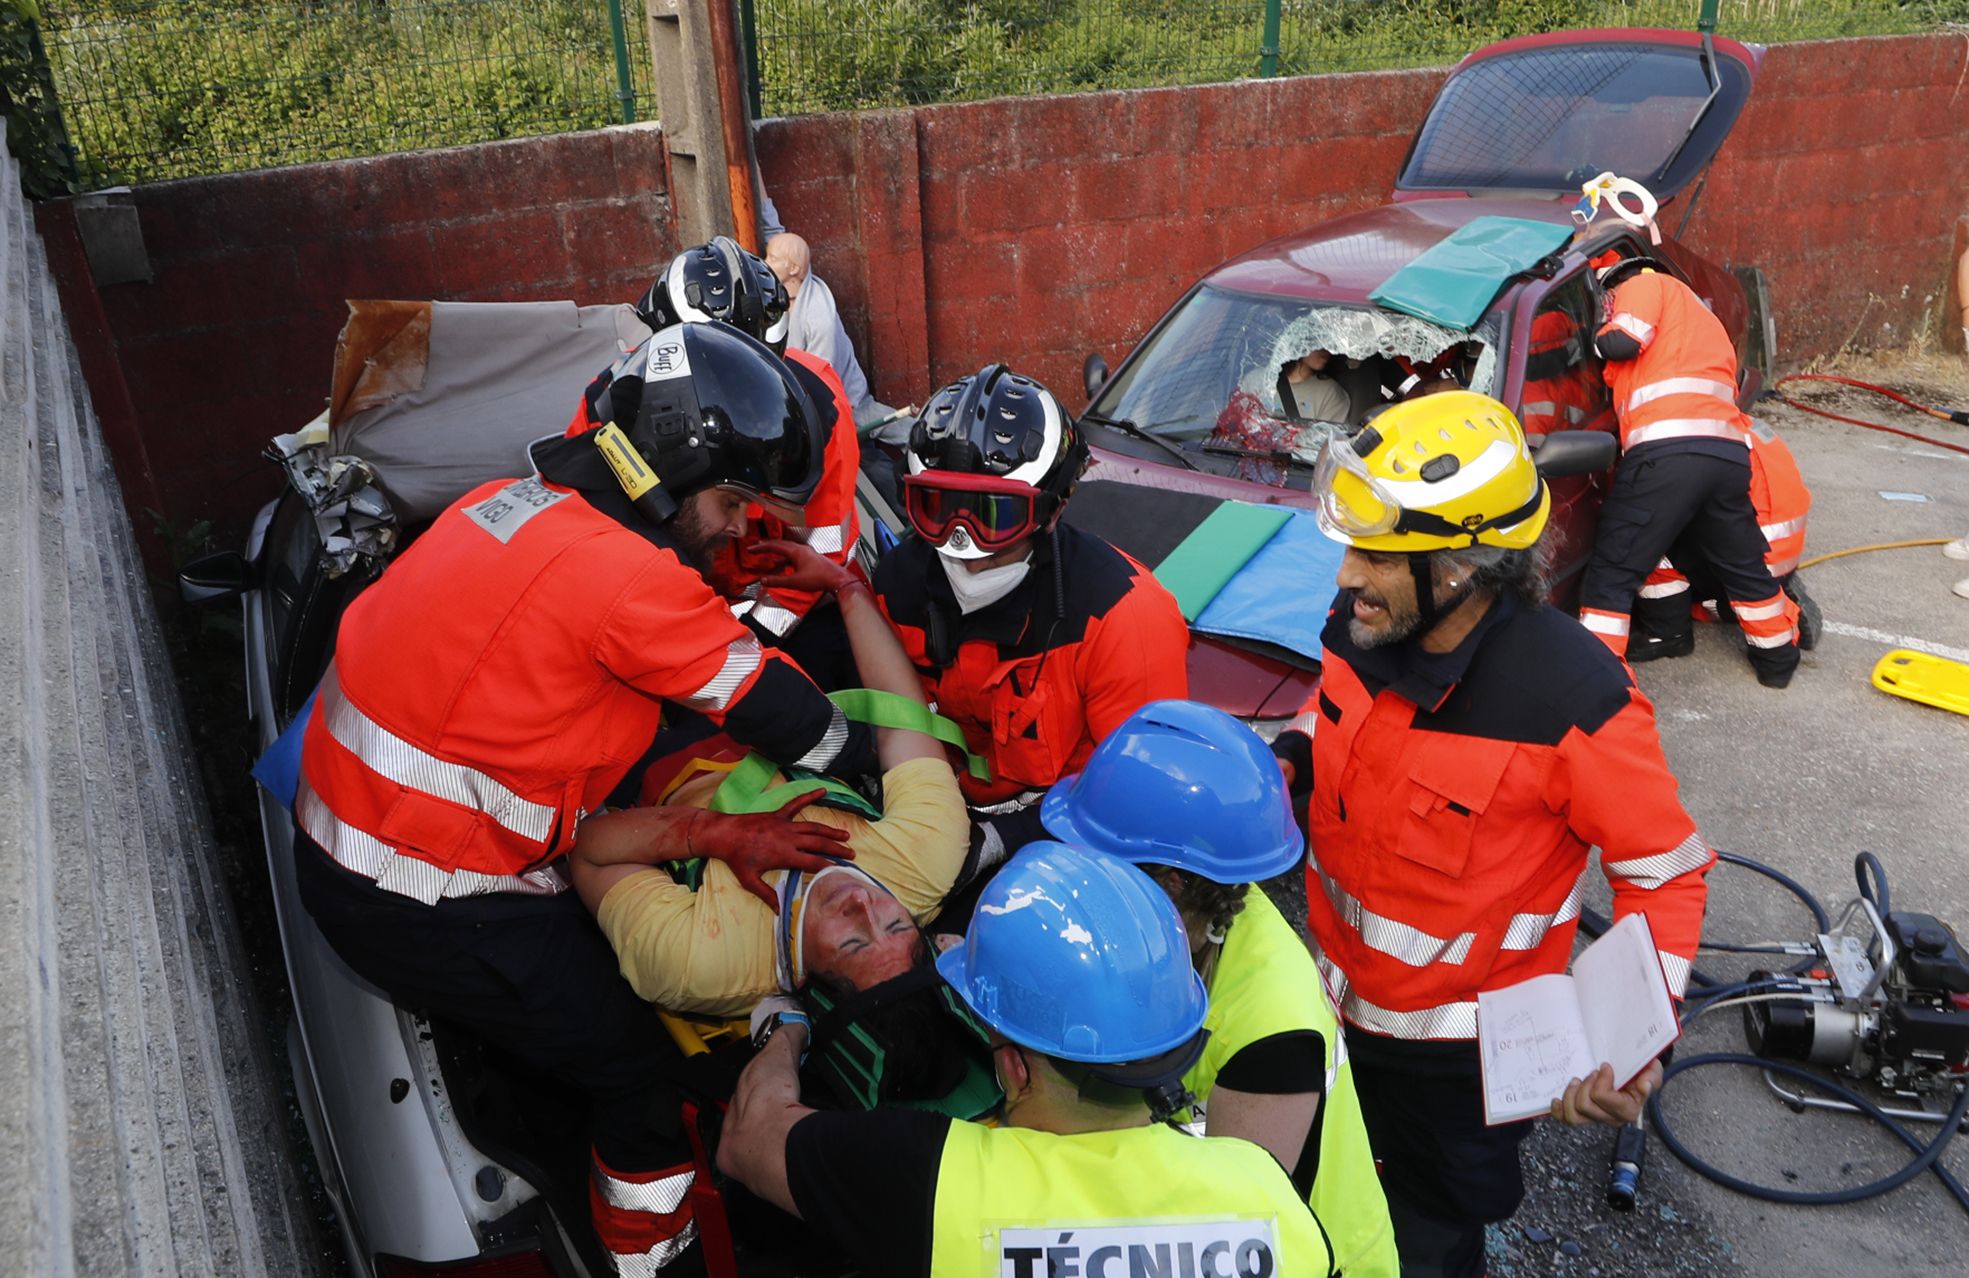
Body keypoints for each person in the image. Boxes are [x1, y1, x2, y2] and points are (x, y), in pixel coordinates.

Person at [293, 321, 877, 1276]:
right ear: (667, 476)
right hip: (423, 897)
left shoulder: (506, 500)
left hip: (351, 837)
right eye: (731, 500)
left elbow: (543, 652)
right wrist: (877, 768)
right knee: (639, 1076)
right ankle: (654, 1256)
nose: (738, 526)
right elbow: (785, 713)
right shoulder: (633, 581)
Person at [1276, 389, 1712, 1278]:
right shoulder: (1363, 629)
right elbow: (1328, 725)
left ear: (1466, 564)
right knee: (1323, 1206)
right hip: (1329, 1012)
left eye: (1377, 556)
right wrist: (1285, 762)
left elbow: (1663, 875)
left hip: (1461, 1071)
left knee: (1427, 1244)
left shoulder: (1571, 702)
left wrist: (1630, 1050)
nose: (1346, 578)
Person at [715, 841, 1337, 1278]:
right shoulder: (1268, 1194)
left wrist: (786, 1028)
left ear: (1013, 1070)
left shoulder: (929, 1176)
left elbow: (746, 1137)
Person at [1042, 699, 1399, 1278]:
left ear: (1172, 884)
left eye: (1098, 865)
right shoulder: (1196, 921)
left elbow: (1234, 1229)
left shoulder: (1271, 1026)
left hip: (1316, 1255)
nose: (1083, 881)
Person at [569, 537, 969, 1019]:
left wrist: (716, 834)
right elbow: (899, 714)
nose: (863, 904)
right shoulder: (928, 860)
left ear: (806, 981)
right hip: (787, 723)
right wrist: (843, 585)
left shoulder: (697, 966)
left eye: (853, 943)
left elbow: (588, 848)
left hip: (645, 761)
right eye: (897, 926)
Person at [871, 364, 1189, 871]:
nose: (962, 541)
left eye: (993, 514)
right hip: (934, 826)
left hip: (1070, 850)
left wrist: (1003, 841)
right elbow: (884, 728)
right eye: (940, 506)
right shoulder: (893, 589)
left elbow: (1136, 803)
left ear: (1052, 510)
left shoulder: (1124, 618)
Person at [570, 236, 862, 663]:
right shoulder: (611, 404)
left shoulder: (817, 409)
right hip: (660, 615)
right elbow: (592, 546)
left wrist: (752, 640)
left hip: (787, 613)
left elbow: (820, 552)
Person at [1576, 253, 1801, 686]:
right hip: (1727, 455)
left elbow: (1622, 342)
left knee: (1615, 566)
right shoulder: (1699, 315)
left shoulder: (1643, 287)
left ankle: (1593, 676)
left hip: (1667, 452)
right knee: (1740, 565)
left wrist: (1589, 336)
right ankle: (1776, 661)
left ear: (1612, 282)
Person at [1632, 415, 1817, 657]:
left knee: (1642, 537)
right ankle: (1767, 605)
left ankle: (1668, 634)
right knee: (1705, 599)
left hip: (1746, 563)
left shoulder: (1684, 441)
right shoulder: (1742, 426)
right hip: (1780, 557)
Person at [764, 231, 898, 428]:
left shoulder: (818, 317)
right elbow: (773, 233)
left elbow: (819, 379)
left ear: (793, 268)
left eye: (772, 259)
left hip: (843, 405)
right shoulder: (791, 281)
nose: (765, 263)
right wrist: (763, 201)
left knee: (887, 432)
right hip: (809, 396)